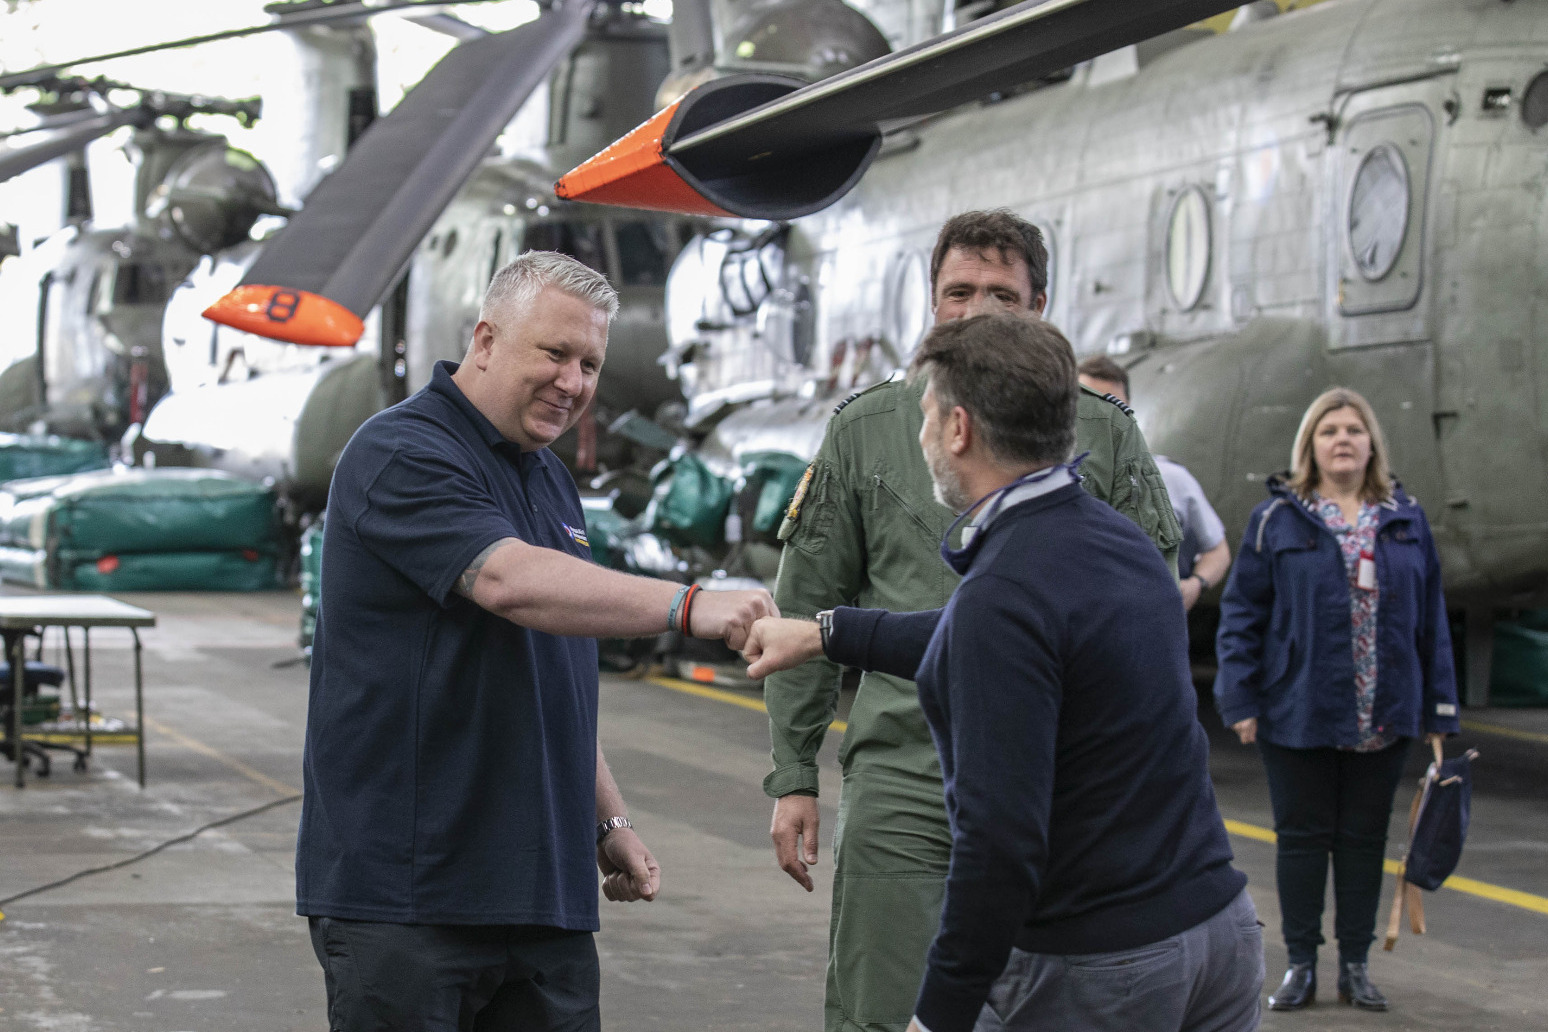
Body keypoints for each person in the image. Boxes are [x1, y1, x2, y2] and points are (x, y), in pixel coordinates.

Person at [296, 251, 776, 1031]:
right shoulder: (400, 453)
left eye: (590, 363)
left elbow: (547, 673)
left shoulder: (547, 477)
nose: (575, 382)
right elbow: (507, 583)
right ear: (485, 340)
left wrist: (608, 820)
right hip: (411, 899)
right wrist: (692, 605)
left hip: (541, 896)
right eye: (554, 353)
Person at [745, 313, 1262, 1032]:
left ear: (958, 429)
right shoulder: (1117, 544)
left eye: (926, 413)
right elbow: (998, 638)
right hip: (1219, 936)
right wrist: (830, 632)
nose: (922, 434)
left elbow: (1001, 850)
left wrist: (939, 1015)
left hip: (1101, 966)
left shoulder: (1004, 595)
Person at [1215, 386, 1460, 1014]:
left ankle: (1355, 965)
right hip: (1297, 710)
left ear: (1371, 442)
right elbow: (1243, 614)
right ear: (1310, 446)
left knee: (1362, 842)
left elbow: (1431, 618)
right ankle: (1301, 965)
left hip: (1383, 712)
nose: (1343, 439)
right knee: (1300, 840)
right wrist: (1239, 696)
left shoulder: (1405, 518)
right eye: (1329, 431)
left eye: (1353, 429)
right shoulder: (1278, 520)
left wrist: (1439, 708)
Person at [1078, 354, 1230, 610]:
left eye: (1112, 406)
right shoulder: (1049, 484)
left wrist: (1195, 585)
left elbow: (1217, 550)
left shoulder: (1172, 479)